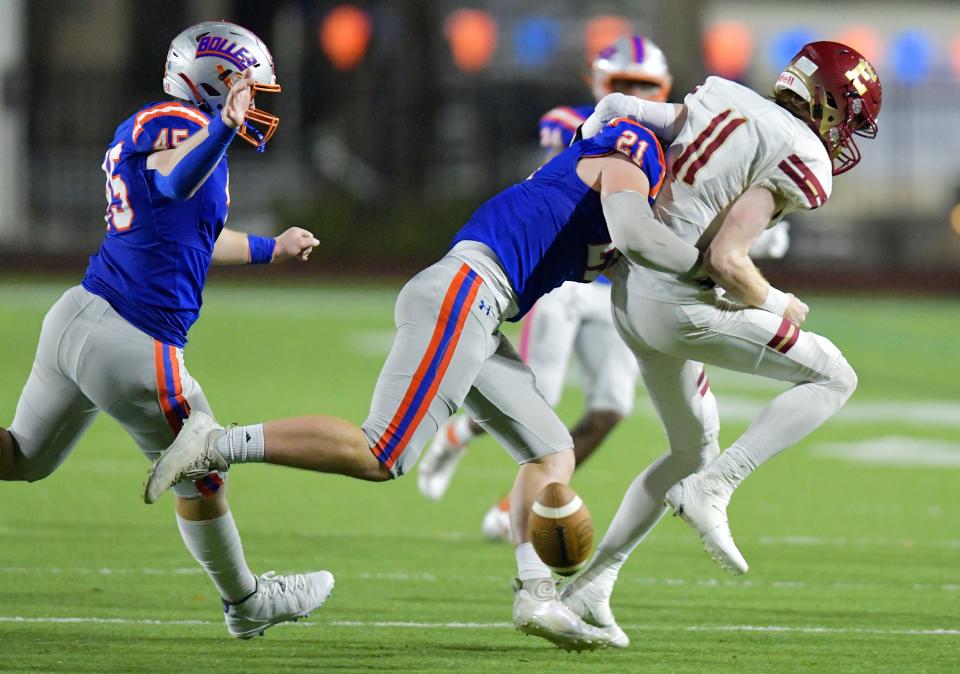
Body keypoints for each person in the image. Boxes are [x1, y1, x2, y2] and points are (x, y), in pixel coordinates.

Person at [142, 99, 709, 649]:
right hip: (468, 292)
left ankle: (536, 595)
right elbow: (633, 194)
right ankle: (215, 442)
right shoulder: (638, 151)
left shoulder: (616, 176)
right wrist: (714, 269)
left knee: (550, 451)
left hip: (481, 306)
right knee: (383, 452)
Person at [0, 21, 329, 639]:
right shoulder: (186, 125)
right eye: (250, 89)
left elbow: (194, 236)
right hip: (131, 339)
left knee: (20, 458)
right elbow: (174, 180)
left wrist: (271, 248)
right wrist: (224, 129)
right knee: (204, 474)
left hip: (80, 315)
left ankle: (246, 602)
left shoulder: (177, 127)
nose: (256, 102)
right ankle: (247, 604)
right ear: (217, 82)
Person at [560, 41, 882, 646]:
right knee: (835, 376)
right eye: (850, 116)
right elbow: (726, 259)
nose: (848, 136)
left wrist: (603, 121)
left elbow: (639, 111)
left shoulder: (730, 98)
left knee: (690, 445)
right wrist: (777, 301)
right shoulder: (800, 149)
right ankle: (717, 487)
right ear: (826, 104)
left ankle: (592, 586)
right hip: (677, 302)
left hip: (629, 292)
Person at [418, 35, 790, 544]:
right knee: (538, 398)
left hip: (628, 282)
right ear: (598, 84)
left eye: (645, 84)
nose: (636, 90)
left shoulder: (680, 139)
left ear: (663, 88)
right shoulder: (580, 124)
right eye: (624, 84)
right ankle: (463, 439)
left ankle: (514, 508)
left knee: (611, 407)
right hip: (570, 281)